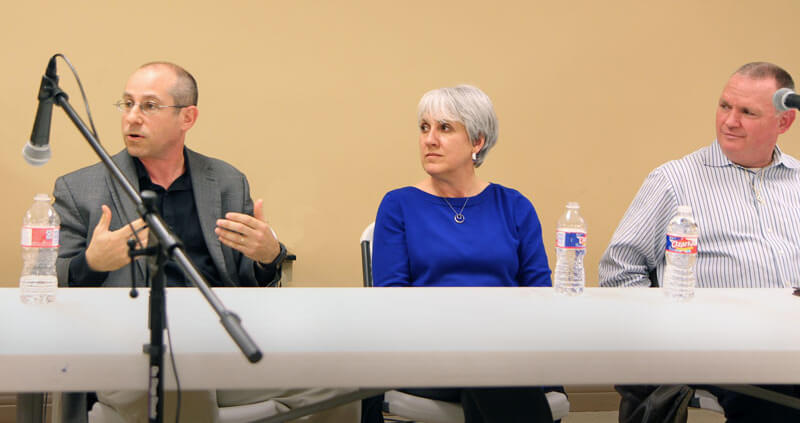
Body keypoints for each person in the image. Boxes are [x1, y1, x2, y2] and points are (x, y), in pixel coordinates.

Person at [53, 62, 357, 422]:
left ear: (188, 117)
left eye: (149, 106)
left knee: (345, 376)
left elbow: (247, 279)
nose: (132, 117)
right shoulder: (79, 189)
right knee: (179, 384)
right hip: (133, 351)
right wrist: (92, 263)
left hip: (219, 346)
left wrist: (267, 257)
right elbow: (54, 280)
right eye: (127, 103)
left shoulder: (227, 181)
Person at [600, 62, 800, 422]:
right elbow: (619, 273)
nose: (730, 121)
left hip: (793, 339)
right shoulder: (674, 181)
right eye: (725, 106)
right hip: (724, 347)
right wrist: (670, 331)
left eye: (747, 112)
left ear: (784, 122)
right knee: (781, 395)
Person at [362, 85, 555, 423]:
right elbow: (392, 299)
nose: (429, 139)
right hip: (428, 350)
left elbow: (540, 292)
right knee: (490, 369)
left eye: (445, 128)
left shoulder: (514, 206)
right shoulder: (398, 205)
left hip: (506, 347)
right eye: (424, 127)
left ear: (477, 142)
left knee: (493, 365)